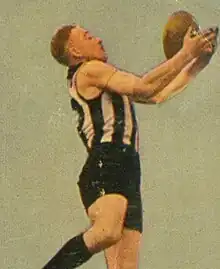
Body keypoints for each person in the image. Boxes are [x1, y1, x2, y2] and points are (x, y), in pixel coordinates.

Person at [42, 24, 218, 269]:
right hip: (107, 161)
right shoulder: (88, 70)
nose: (99, 38)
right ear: (75, 51)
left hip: (127, 166)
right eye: (88, 36)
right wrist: (186, 53)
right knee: (107, 232)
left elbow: (156, 94)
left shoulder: (106, 79)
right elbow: (144, 86)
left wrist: (198, 62)